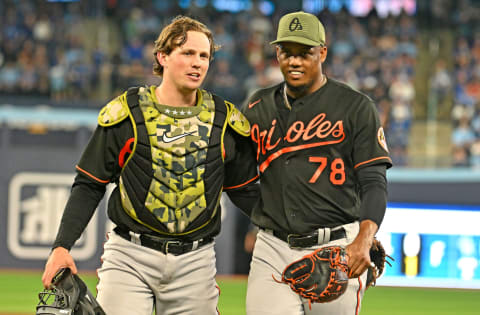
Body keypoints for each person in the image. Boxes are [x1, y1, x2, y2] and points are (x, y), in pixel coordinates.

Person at [41, 15, 259, 315]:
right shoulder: (127, 113)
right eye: (188, 53)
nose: (198, 63)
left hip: (195, 262)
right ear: (163, 56)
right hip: (130, 256)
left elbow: (244, 190)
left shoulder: (223, 120)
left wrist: (294, 229)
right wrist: (61, 246)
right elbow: (90, 184)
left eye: (204, 55)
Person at [241, 11, 392, 314]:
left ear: (322, 52)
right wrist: (261, 216)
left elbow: (374, 181)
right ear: (277, 53)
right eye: (287, 52)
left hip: (336, 247)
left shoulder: (355, 106)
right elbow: (239, 178)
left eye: (305, 53)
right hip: (273, 247)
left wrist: (364, 236)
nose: (295, 61)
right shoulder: (258, 106)